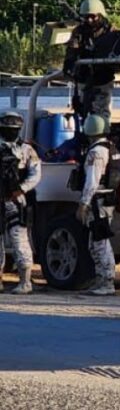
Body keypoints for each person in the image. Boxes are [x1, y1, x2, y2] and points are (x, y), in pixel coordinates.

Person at [0, 112, 41, 294]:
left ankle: (25, 281)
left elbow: (36, 174)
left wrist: (21, 189)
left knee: (19, 240)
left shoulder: (26, 150)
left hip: (17, 201)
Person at [78, 114, 116, 296]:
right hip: (104, 200)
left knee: (100, 242)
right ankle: (101, 279)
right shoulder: (109, 147)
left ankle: (107, 281)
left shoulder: (96, 152)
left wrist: (83, 204)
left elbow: (92, 181)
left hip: (98, 201)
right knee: (95, 241)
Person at [65, 0, 115, 127]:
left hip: (103, 79)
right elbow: (71, 51)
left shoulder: (110, 31)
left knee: (101, 114)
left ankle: (101, 135)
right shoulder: (79, 31)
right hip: (83, 79)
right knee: (82, 111)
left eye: (93, 17)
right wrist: (69, 65)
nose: (90, 20)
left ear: (101, 15)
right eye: (86, 17)